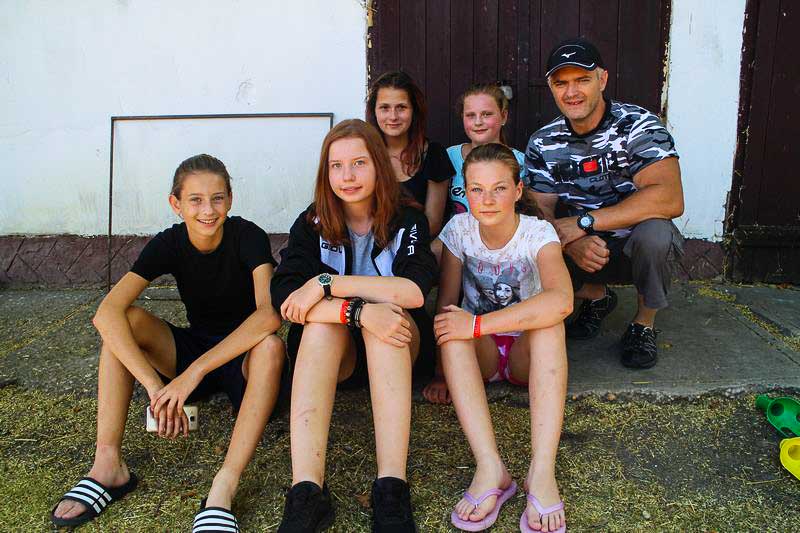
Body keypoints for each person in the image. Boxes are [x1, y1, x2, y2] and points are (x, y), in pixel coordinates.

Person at [50, 154, 286, 533]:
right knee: (124, 323)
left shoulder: (248, 236)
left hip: (243, 357)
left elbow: (268, 316)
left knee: (271, 346)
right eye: (195, 200)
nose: (208, 210)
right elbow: (106, 313)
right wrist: (155, 387)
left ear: (230, 199)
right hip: (193, 347)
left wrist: (193, 374)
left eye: (218, 198)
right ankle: (108, 465)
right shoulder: (169, 243)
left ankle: (223, 488)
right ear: (176, 203)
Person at [271, 119, 437, 533]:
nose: (347, 176)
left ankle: (391, 488)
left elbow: (414, 290)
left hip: (399, 348)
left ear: (379, 165)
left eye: (359, 163)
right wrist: (359, 313)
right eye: (336, 166)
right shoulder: (312, 222)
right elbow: (286, 297)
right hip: (336, 357)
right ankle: (307, 491)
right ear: (325, 173)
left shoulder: (407, 220)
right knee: (323, 327)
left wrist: (327, 284)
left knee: (389, 322)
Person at [434, 144, 572, 532]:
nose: (487, 199)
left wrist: (478, 324)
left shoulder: (537, 232)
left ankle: (541, 472)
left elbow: (562, 300)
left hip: (529, 354)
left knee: (549, 322)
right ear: (465, 192)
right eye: (476, 189)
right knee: (451, 324)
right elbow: (446, 307)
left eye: (499, 188)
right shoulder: (458, 230)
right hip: (481, 357)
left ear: (517, 189)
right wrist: (441, 372)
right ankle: (490, 467)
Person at [526, 37, 685, 369]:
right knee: (527, 241)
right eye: (561, 83)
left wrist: (584, 223)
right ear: (551, 88)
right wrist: (569, 243)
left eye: (582, 80)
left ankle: (643, 324)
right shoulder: (543, 141)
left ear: (602, 79)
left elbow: (669, 197)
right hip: (580, 246)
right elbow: (538, 211)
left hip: (631, 242)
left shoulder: (638, 125)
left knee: (656, 235)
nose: (572, 92)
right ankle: (597, 297)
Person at [366, 70, 454, 237]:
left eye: (401, 107)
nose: (393, 116)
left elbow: (432, 224)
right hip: (371, 245)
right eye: (385, 108)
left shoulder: (433, 154)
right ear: (374, 111)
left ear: (414, 110)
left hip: (417, 246)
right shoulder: (364, 154)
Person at [447, 84, 527, 216]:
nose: (478, 122)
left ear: (504, 116)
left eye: (486, 114)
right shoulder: (449, 156)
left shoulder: (520, 162)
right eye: (470, 115)